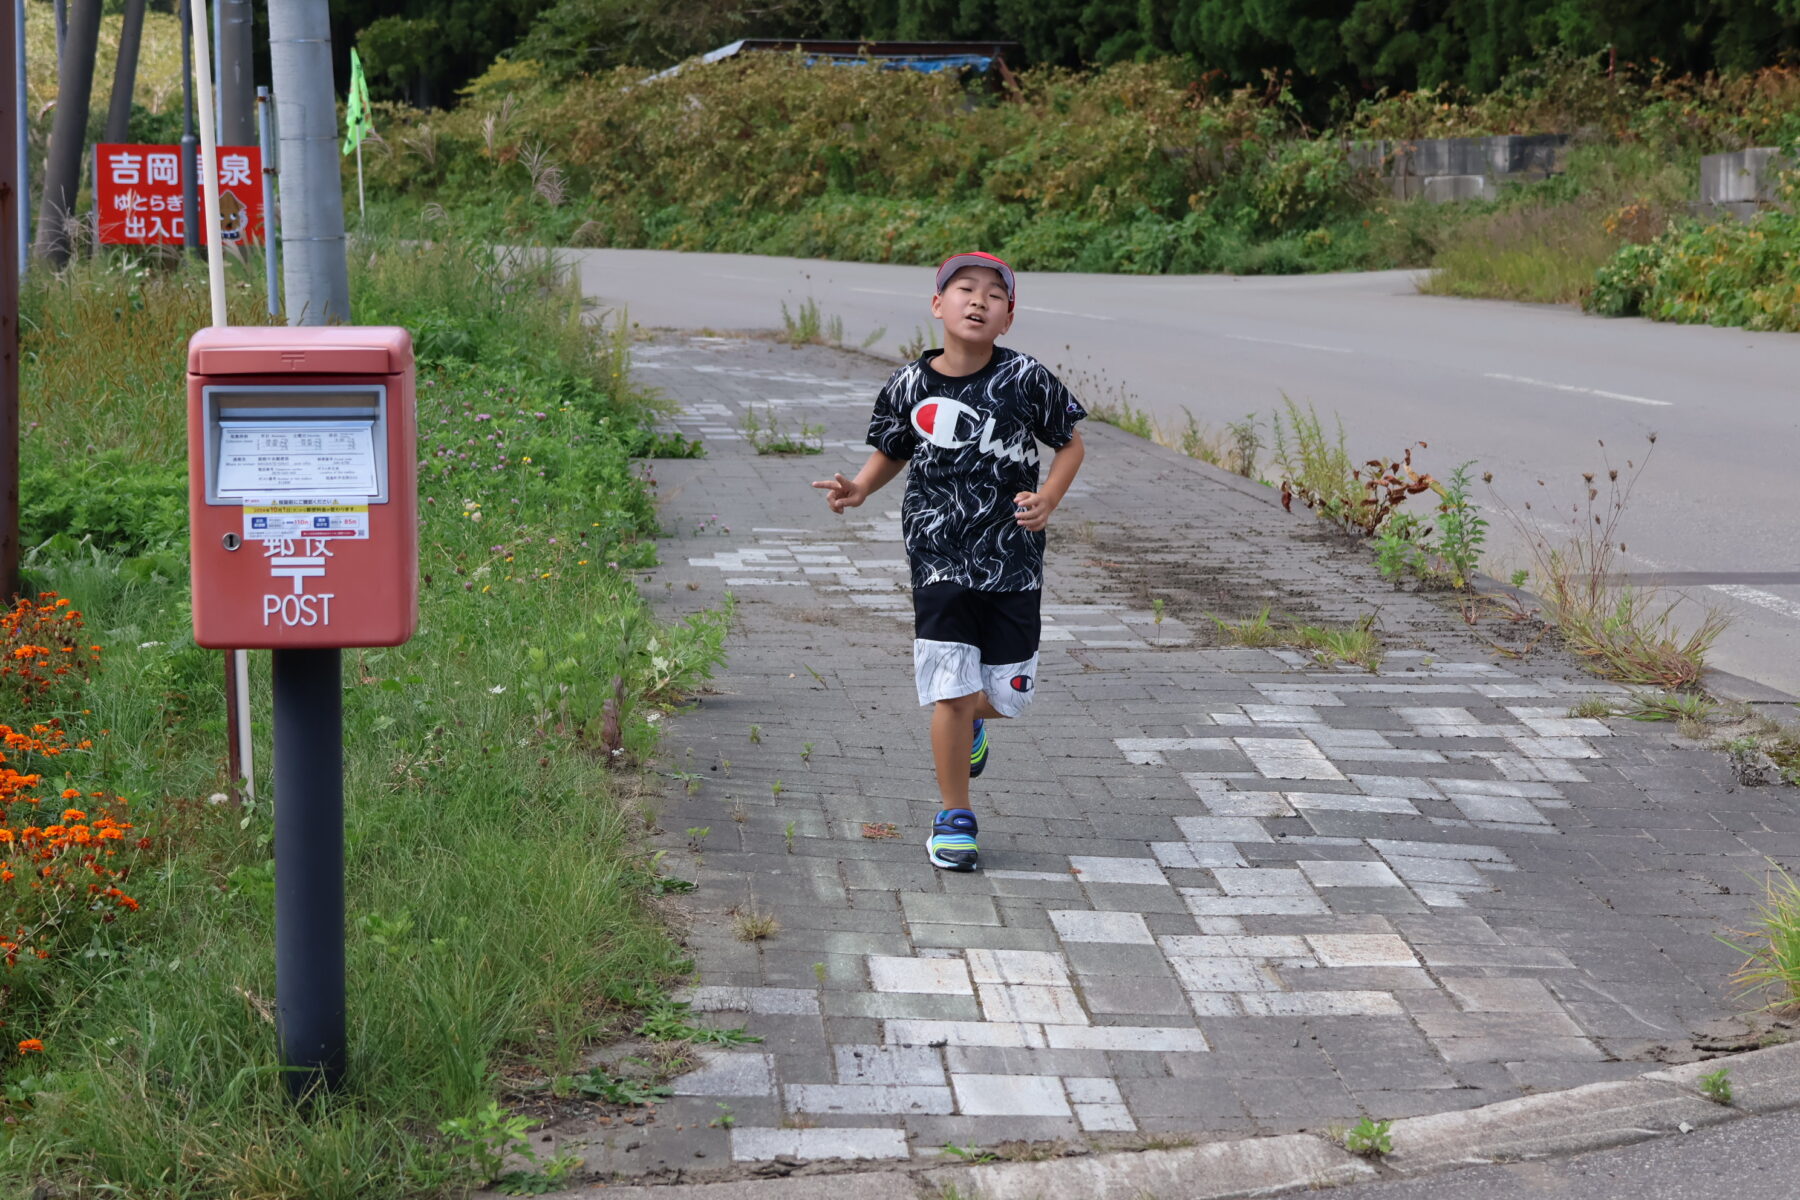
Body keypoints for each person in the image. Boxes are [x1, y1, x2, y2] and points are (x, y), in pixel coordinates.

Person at [812, 252, 1087, 871]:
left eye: (994, 295)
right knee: (950, 689)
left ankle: (970, 729)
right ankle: (954, 815)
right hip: (937, 554)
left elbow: (1070, 444)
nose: (978, 300)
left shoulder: (1026, 380)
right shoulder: (909, 385)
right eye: (964, 289)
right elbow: (893, 449)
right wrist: (859, 487)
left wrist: (1047, 498)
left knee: (1006, 694)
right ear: (938, 305)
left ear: (1007, 318)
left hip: (1011, 559)